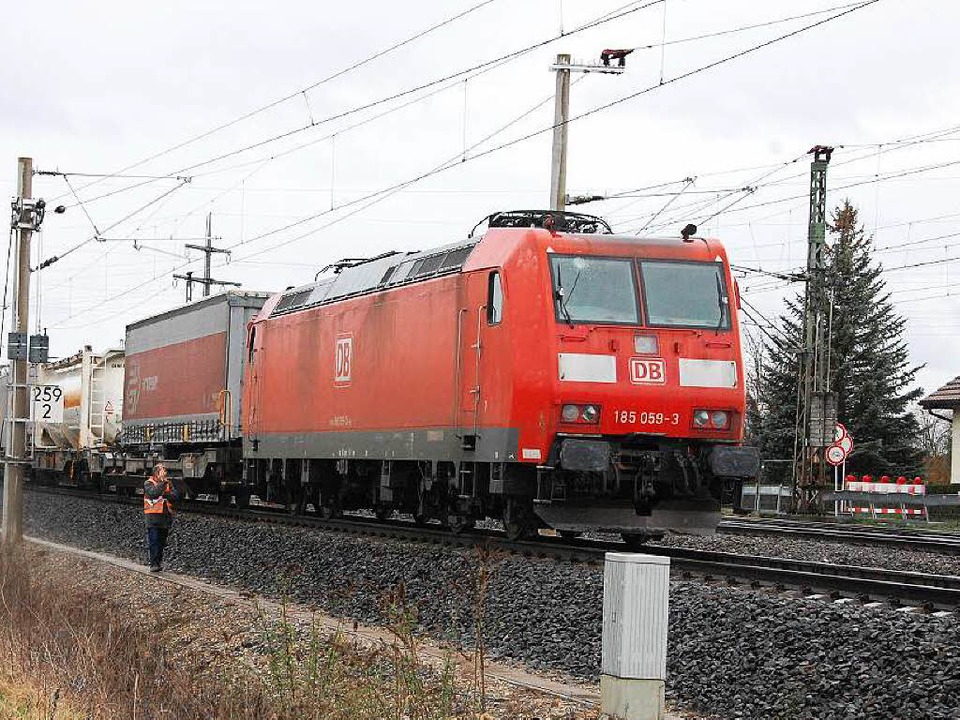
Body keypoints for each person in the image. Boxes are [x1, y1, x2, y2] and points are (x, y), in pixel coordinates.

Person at [143, 463, 178, 572]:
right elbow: (153, 493)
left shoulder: (168, 483)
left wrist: (164, 494)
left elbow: (175, 496)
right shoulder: (149, 483)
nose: (165, 473)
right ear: (156, 473)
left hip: (164, 517)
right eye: (163, 471)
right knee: (154, 541)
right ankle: (154, 563)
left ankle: (158, 562)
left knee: (161, 542)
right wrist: (163, 484)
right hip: (153, 517)